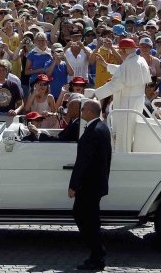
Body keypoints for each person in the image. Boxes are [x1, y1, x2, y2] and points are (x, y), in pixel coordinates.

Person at [68, 100, 111, 271]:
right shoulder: (102, 127)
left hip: (89, 186)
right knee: (91, 220)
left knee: (84, 219)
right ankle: (97, 253)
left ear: (90, 112)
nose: (81, 111)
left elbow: (82, 163)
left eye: (83, 109)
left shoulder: (92, 131)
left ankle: (97, 255)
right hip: (96, 184)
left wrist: (73, 186)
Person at [94, 38, 151, 152]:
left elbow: (115, 84)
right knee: (130, 130)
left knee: (125, 131)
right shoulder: (138, 59)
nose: (119, 53)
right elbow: (122, 70)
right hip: (135, 101)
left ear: (125, 51)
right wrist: (105, 64)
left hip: (128, 103)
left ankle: (123, 154)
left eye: (120, 50)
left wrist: (96, 94)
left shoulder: (130, 63)